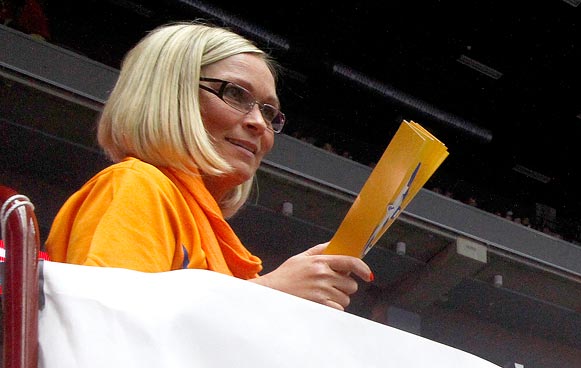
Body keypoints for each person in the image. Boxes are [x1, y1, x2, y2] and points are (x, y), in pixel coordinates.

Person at [46, 23, 370, 309]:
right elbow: (111, 324)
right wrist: (270, 294)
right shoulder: (137, 185)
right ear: (171, 94)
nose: (260, 123)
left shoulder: (213, 235)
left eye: (270, 112)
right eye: (235, 93)